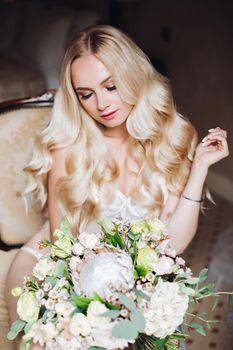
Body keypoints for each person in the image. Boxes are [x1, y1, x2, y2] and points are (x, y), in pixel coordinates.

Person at [5, 25, 229, 349]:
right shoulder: (69, 148)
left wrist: (200, 169)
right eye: (86, 94)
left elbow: (172, 244)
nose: (102, 104)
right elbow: (61, 244)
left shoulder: (176, 137)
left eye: (111, 86)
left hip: (130, 280)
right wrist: (96, 311)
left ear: (133, 75)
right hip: (56, 269)